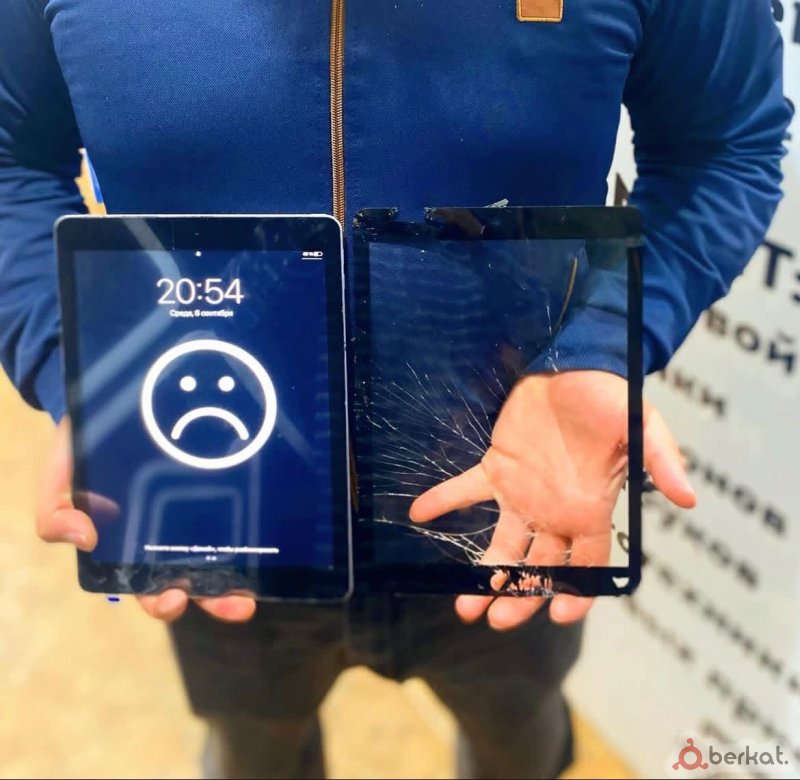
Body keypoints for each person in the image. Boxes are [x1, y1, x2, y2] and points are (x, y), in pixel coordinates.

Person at [0, 1, 791, 778]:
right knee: (255, 753)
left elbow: (723, 145)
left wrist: (605, 341)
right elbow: (11, 162)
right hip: (218, 493)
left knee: (517, 747)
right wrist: (81, 364)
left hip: (514, 498)